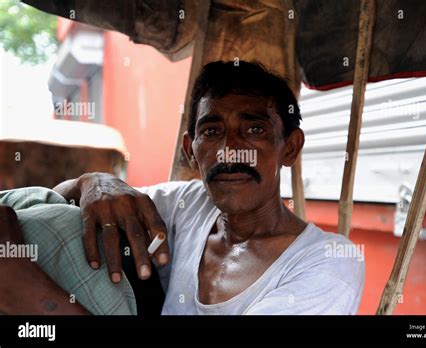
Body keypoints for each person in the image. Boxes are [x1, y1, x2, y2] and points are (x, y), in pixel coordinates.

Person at [0, 61, 365, 315]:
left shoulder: (327, 264)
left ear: (290, 147)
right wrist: (93, 182)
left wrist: (25, 293)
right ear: (191, 150)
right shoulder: (188, 204)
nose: (230, 149)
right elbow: (61, 199)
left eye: (254, 130)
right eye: (212, 131)